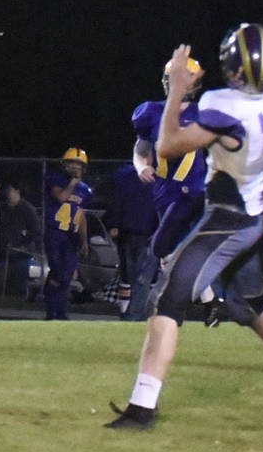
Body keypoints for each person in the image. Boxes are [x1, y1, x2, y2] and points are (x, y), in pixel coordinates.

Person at [107, 26, 263, 430]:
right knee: (248, 306)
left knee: (168, 298)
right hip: (255, 216)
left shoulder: (225, 105)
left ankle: (142, 408)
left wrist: (176, 90)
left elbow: (167, 145)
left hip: (227, 218)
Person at [125, 57, 209, 321]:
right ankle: (203, 302)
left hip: (197, 189)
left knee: (193, 248)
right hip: (166, 190)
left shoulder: (204, 112)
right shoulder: (150, 112)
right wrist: (141, 166)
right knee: (169, 253)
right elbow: (141, 149)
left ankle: (206, 300)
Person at [105, 153, 158, 318]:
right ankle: (131, 314)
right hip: (129, 232)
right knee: (130, 276)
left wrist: (159, 230)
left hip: (145, 233)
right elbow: (116, 199)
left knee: (140, 277)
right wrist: (114, 223)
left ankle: (134, 315)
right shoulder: (126, 175)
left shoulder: (161, 176)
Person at [42, 147, 92, 320]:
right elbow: (61, 197)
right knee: (57, 271)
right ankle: (50, 312)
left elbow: (81, 216)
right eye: (71, 163)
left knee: (67, 275)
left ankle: (61, 313)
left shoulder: (85, 190)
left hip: (71, 236)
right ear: (64, 165)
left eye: (79, 164)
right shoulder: (56, 179)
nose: (75, 167)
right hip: (55, 233)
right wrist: (73, 183)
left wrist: (84, 240)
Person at [0, 181, 42, 301]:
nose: (8, 193)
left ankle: (20, 299)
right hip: (4, 251)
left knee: (19, 277)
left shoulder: (27, 209)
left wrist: (24, 244)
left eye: (11, 190)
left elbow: (35, 230)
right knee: (1, 277)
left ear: (18, 191)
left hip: (21, 253)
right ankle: (1, 298)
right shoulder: (2, 208)